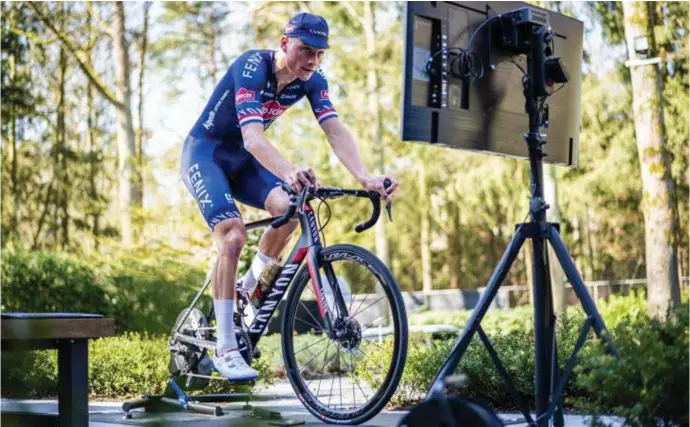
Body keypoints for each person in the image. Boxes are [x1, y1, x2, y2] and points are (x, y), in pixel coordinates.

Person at [179, 12, 398, 381]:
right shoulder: (252, 66)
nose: (312, 60)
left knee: (292, 209)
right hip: (206, 154)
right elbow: (252, 138)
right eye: (305, 50)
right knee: (233, 236)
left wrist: (366, 177)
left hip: (244, 162)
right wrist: (290, 170)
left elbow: (334, 130)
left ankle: (247, 290)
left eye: (319, 54)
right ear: (284, 44)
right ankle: (226, 347)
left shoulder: (311, 81)